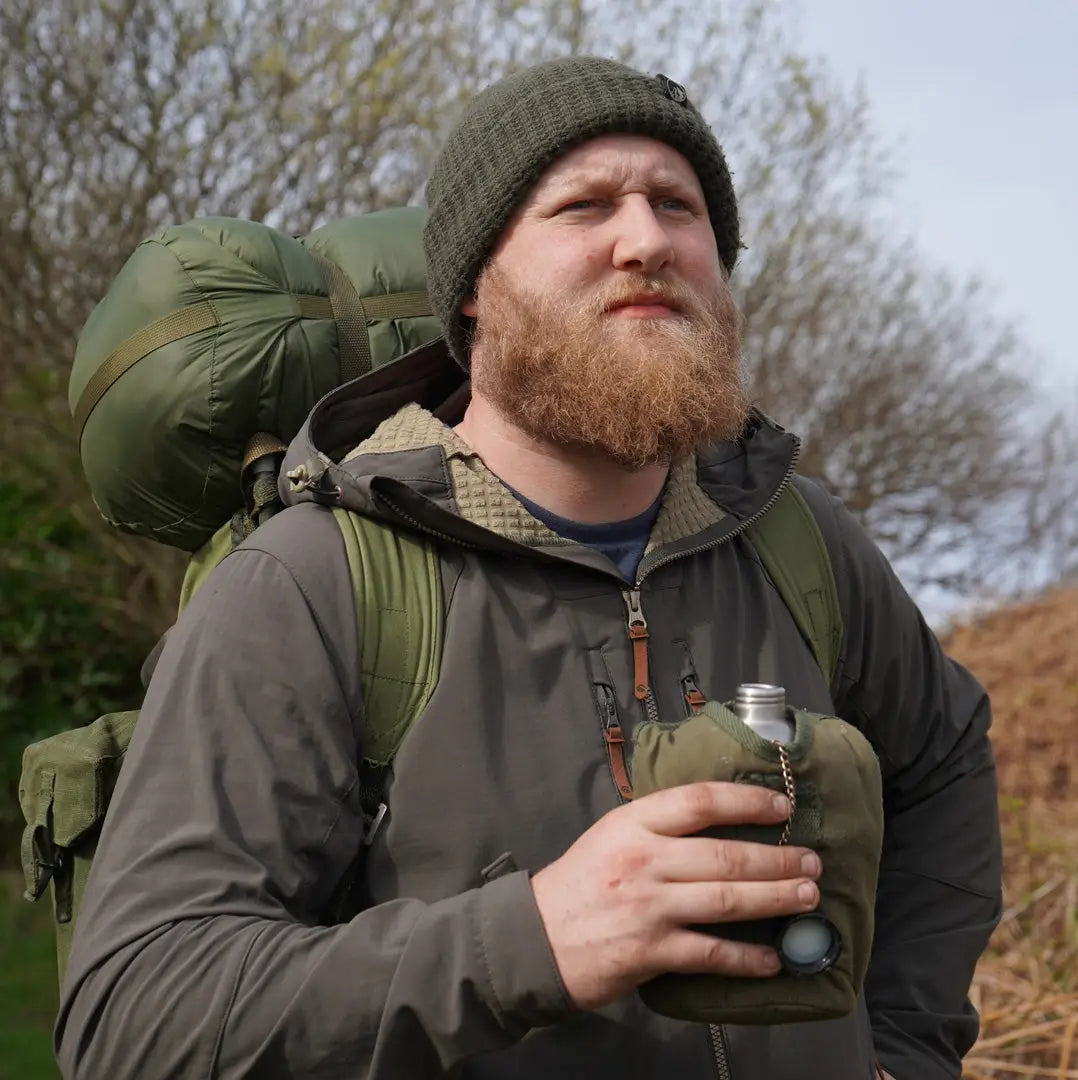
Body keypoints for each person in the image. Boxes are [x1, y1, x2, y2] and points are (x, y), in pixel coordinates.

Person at [55, 56, 1001, 1080]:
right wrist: (533, 940)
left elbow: (946, 763)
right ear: (473, 294)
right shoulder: (309, 584)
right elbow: (135, 1017)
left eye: (679, 206)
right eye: (583, 206)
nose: (645, 240)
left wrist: (903, 1045)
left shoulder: (800, 540)